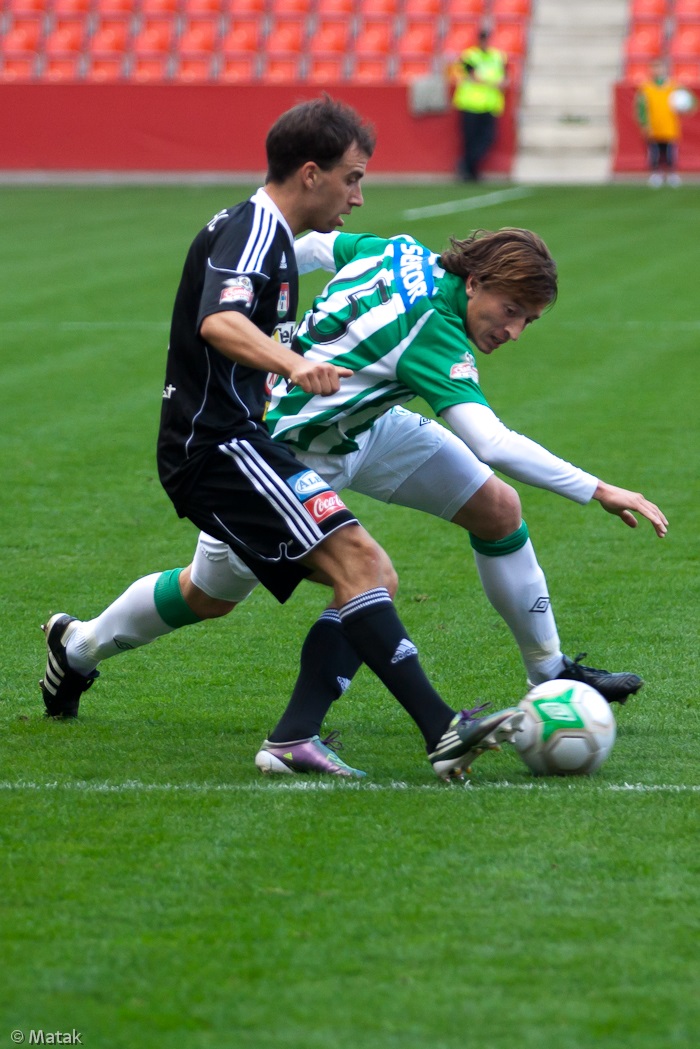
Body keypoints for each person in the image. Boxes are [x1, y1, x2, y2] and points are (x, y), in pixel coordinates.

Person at [41, 224, 668, 777]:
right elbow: (491, 442)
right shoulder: (435, 332)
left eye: (528, 320)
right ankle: (81, 649)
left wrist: (281, 316)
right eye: (510, 311)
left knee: (497, 510)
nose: (513, 331)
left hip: (360, 426)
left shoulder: (395, 249)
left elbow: (312, 245)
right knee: (221, 593)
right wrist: (600, 488)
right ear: (473, 281)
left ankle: (549, 674)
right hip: (285, 453)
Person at [40, 96, 523, 784]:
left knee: (233, 589)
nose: (359, 196)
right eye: (352, 178)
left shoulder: (270, 235)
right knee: (361, 564)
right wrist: (293, 362)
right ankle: (436, 729)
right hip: (217, 447)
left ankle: (79, 646)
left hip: (244, 441)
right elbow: (219, 322)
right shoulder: (254, 232)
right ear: (310, 173)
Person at [449, 25, 507, 182]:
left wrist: (496, 83)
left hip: (489, 105)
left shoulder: (498, 57)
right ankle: (469, 170)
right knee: (470, 139)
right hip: (470, 104)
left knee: (488, 138)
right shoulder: (470, 56)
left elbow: (504, 78)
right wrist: (493, 83)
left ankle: (467, 165)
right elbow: (473, 76)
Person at [635, 58, 694, 187]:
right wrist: (644, 123)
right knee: (655, 152)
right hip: (654, 126)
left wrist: (686, 106)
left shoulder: (673, 86)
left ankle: (672, 173)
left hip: (670, 125)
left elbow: (689, 101)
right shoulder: (646, 88)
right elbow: (641, 107)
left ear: (665, 70)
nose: (657, 71)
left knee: (670, 152)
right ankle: (656, 173)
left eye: (660, 68)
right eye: (655, 68)